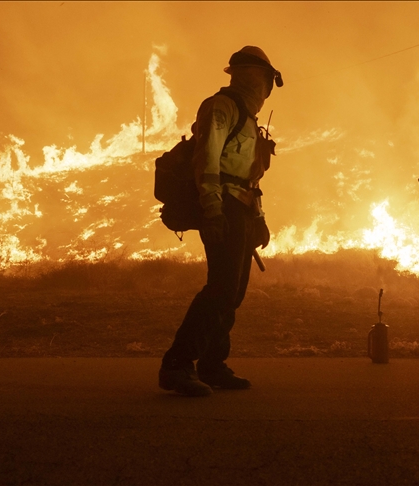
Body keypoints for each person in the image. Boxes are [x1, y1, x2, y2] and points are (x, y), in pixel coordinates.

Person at [159, 46, 282, 397]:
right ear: (256, 78)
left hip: (241, 207)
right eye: (266, 81)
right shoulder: (221, 107)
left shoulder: (246, 116)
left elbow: (248, 177)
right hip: (223, 206)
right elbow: (207, 162)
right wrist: (212, 211)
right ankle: (177, 365)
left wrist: (257, 219)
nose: (266, 89)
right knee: (221, 289)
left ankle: (212, 366)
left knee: (234, 292)